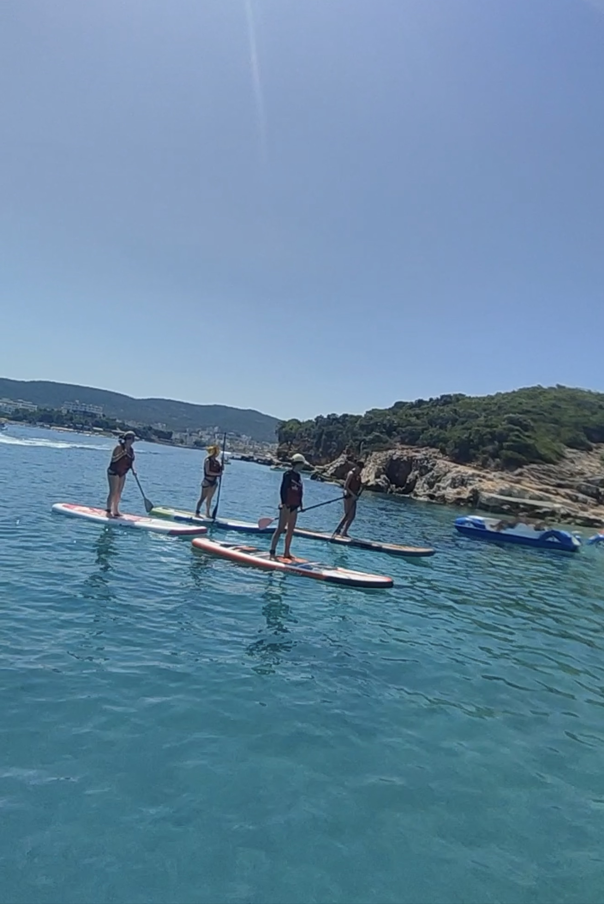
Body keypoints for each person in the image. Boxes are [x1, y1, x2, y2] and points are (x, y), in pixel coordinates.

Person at [269, 453, 309, 559]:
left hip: (295, 506)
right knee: (281, 528)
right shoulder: (287, 474)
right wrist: (283, 503)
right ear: (297, 464)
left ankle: (286, 552)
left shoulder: (298, 476)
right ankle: (272, 551)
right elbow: (283, 489)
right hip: (286, 505)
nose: (302, 466)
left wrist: (301, 505)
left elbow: (300, 492)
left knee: (291, 530)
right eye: (301, 464)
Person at [106, 431, 136, 517]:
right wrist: (122, 454)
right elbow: (114, 460)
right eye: (129, 438)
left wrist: (133, 470)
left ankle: (116, 510)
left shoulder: (131, 450)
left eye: (132, 439)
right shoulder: (119, 447)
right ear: (125, 439)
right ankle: (108, 510)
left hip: (123, 472)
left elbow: (130, 462)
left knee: (119, 492)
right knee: (113, 491)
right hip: (113, 471)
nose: (131, 441)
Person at [333, 460, 364, 538]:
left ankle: (344, 532)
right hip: (348, 496)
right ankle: (339, 531)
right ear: (356, 467)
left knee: (352, 516)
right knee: (347, 515)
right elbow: (346, 486)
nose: (361, 470)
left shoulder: (358, 476)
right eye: (360, 468)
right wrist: (353, 495)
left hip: (354, 497)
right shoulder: (351, 474)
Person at [195, 444, 224, 518]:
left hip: (214, 482)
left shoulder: (217, 462)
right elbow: (208, 472)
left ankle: (207, 513)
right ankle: (197, 512)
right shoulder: (207, 461)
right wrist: (218, 474)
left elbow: (220, 471)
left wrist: (221, 468)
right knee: (202, 498)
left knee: (209, 499)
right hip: (207, 481)